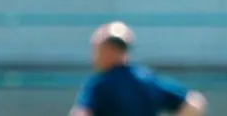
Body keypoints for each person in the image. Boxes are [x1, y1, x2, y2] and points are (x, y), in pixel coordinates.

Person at [69, 21, 207, 116]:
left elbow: (82, 113)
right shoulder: (148, 80)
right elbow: (194, 103)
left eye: (97, 50)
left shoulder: (100, 84)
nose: (94, 57)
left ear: (108, 50)